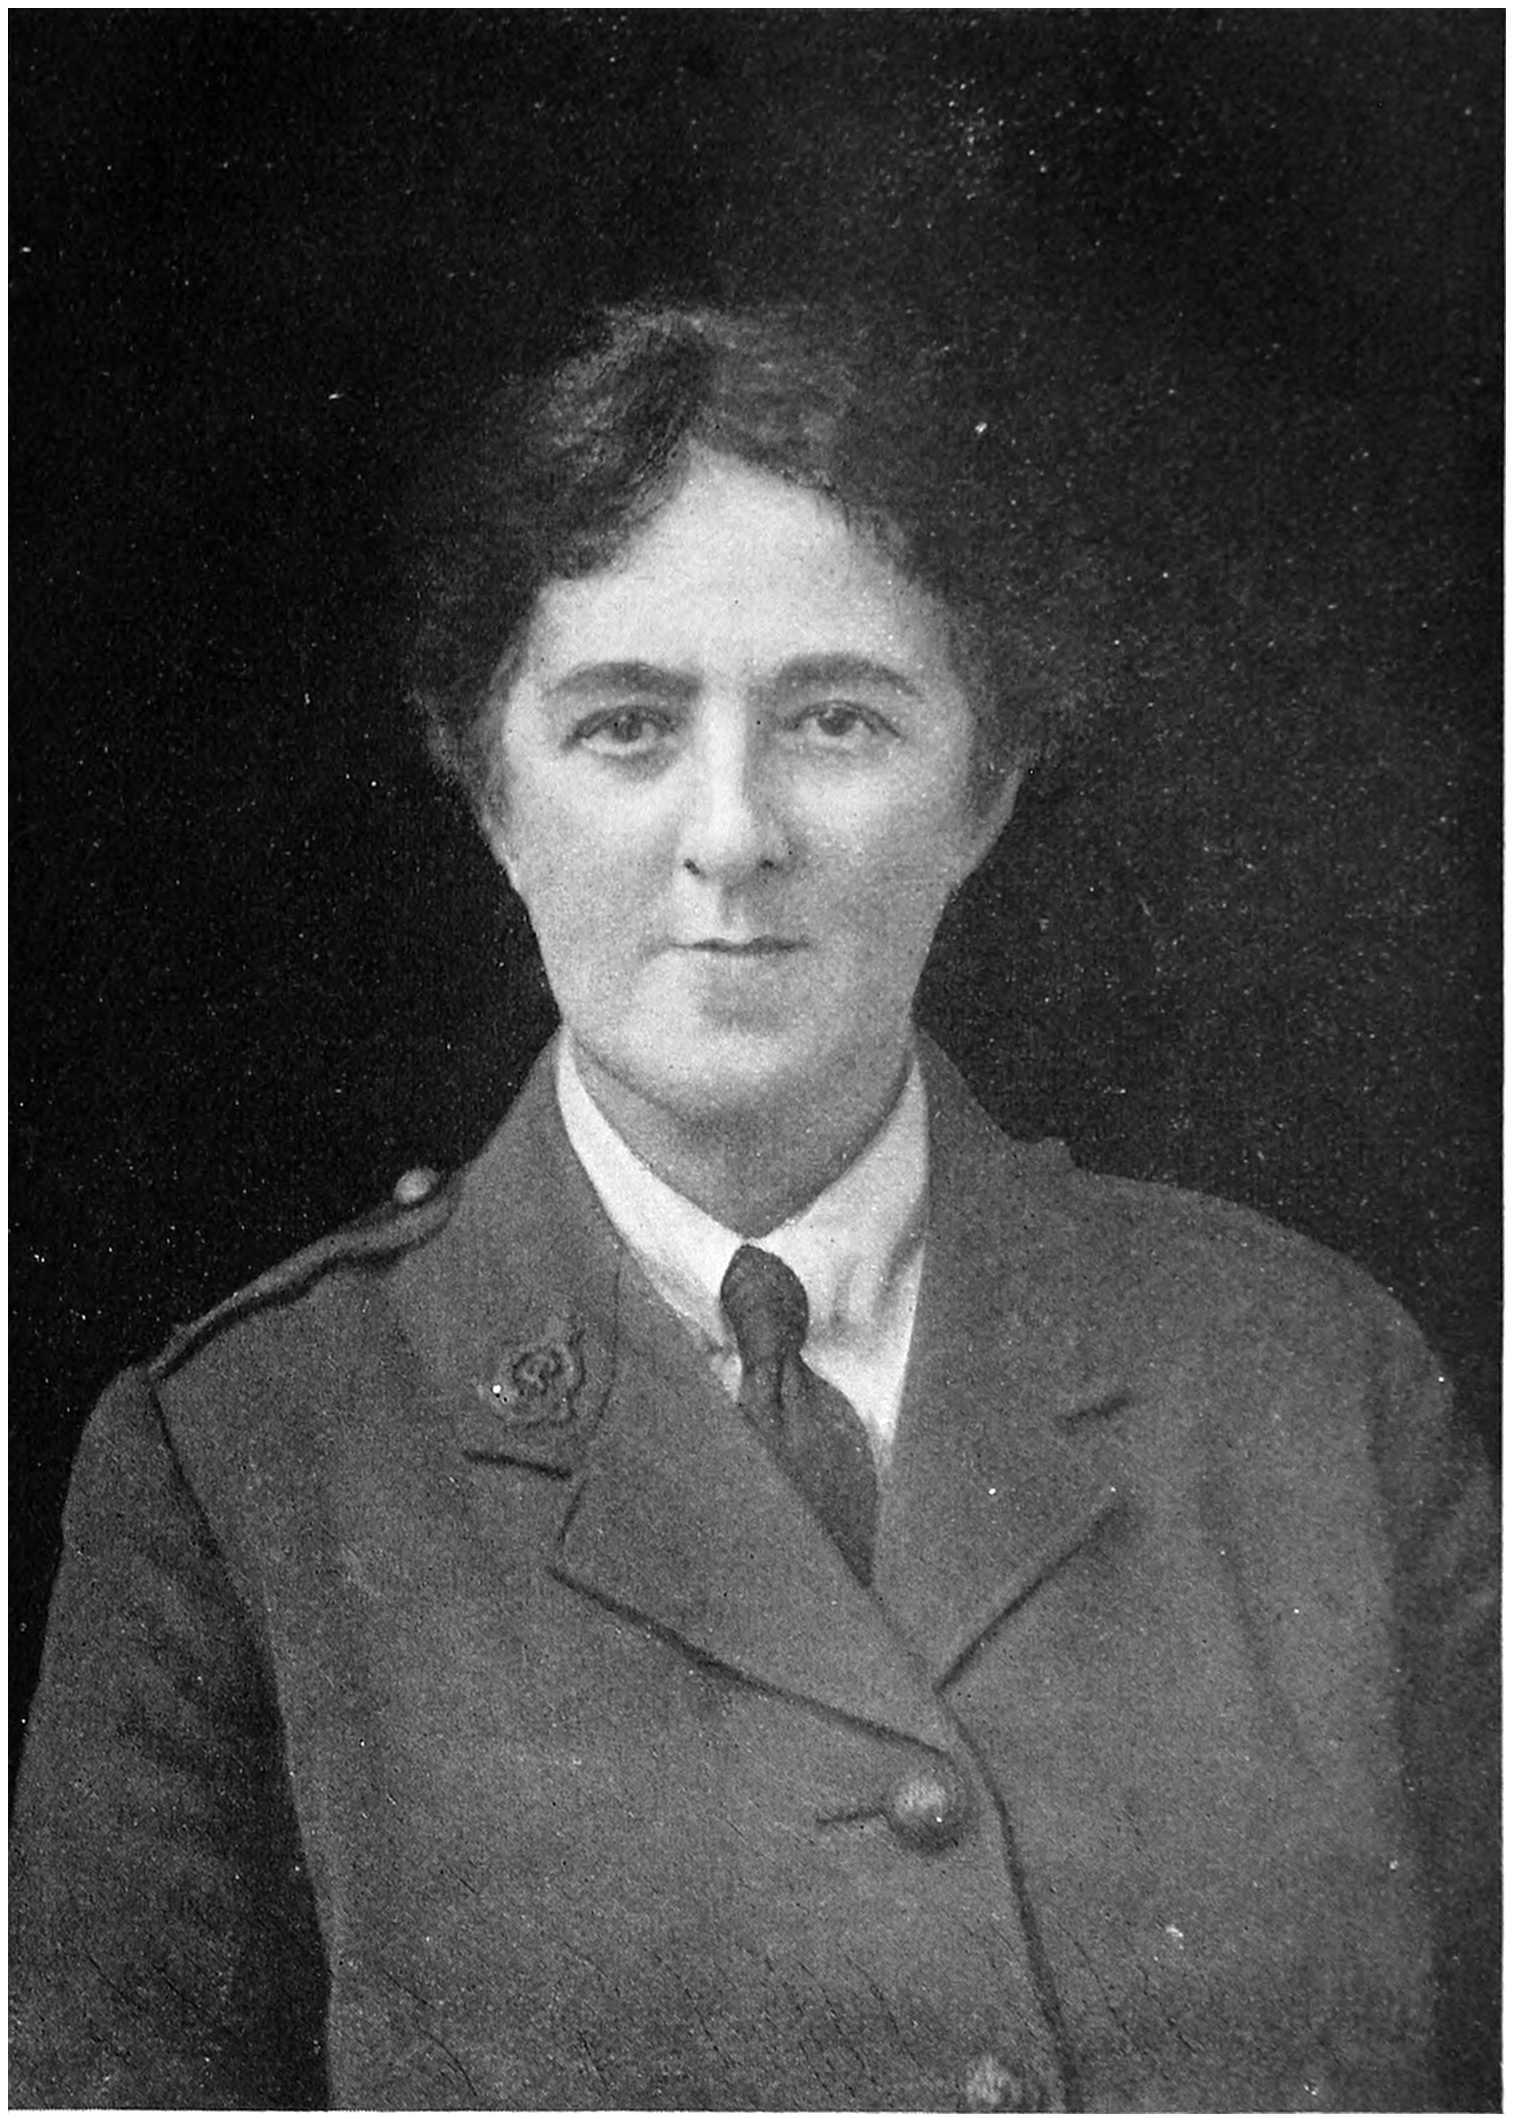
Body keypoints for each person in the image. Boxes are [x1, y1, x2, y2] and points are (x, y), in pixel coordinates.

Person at [10, 301, 1497, 2113]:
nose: (732, 833)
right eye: (627, 726)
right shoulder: (242, 1467)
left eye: (836, 719)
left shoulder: (1311, 1385)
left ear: (983, 791)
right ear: (493, 798)